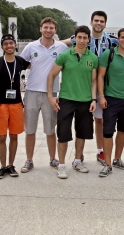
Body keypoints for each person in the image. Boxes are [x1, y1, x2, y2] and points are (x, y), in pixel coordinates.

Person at [62, 11, 119, 166]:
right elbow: (62, 43)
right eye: (96, 20)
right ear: (91, 22)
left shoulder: (112, 41)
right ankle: (79, 155)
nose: (98, 23)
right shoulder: (81, 38)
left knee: (99, 119)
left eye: (101, 21)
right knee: (83, 122)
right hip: (83, 86)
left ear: (105, 24)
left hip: (103, 85)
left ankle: (100, 150)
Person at [48, 25, 98, 179]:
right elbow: (51, 75)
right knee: (63, 133)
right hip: (67, 99)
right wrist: (50, 96)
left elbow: (94, 80)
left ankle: (77, 160)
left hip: (84, 100)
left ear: (88, 39)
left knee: (81, 133)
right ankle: (61, 165)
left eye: (85, 37)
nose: (82, 40)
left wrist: (94, 99)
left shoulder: (93, 58)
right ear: (74, 38)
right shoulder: (65, 55)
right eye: (79, 37)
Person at [19, 17, 68, 173]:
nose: (48, 30)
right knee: (30, 129)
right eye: (46, 27)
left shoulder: (61, 48)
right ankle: (29, 160)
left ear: (55, 30)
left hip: (51, 94)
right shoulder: (31, 47)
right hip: (32, 91)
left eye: (51, 28)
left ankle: (53, 158)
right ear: (40, 28)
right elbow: (21, 63)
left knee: (50, 129)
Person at [0, 34, 30, 180]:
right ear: (2, 47)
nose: (9, 46)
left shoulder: (20, 61)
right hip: (0, 104)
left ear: (15, 45)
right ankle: (2, 166)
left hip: (16, 104)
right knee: (1, 136)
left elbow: (37, 64)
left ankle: (11, 165)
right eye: (6, 44)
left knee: (14, 135)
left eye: (11, 43)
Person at [96, 28, 124, 177]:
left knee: (123, 130)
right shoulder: (109, 53)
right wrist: (101, 96)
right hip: (111, 98)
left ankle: (117, 159)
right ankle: (107, 164)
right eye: (123, 37)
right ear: (118, 39)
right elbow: (100, 76)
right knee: (108, 132)